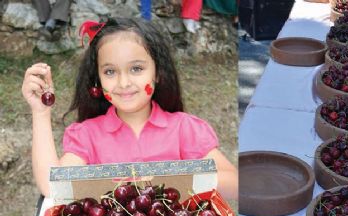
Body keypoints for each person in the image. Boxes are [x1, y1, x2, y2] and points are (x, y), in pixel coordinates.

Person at [21, 18, 238, 200]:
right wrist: (40, 113)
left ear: (158, 73)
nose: (124, 83)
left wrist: (167, 180)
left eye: (136, 68)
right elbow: (53, 188)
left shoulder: (186, 129)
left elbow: (235, 184)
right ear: (97, 80)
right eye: (110, 72)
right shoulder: (87, 135)